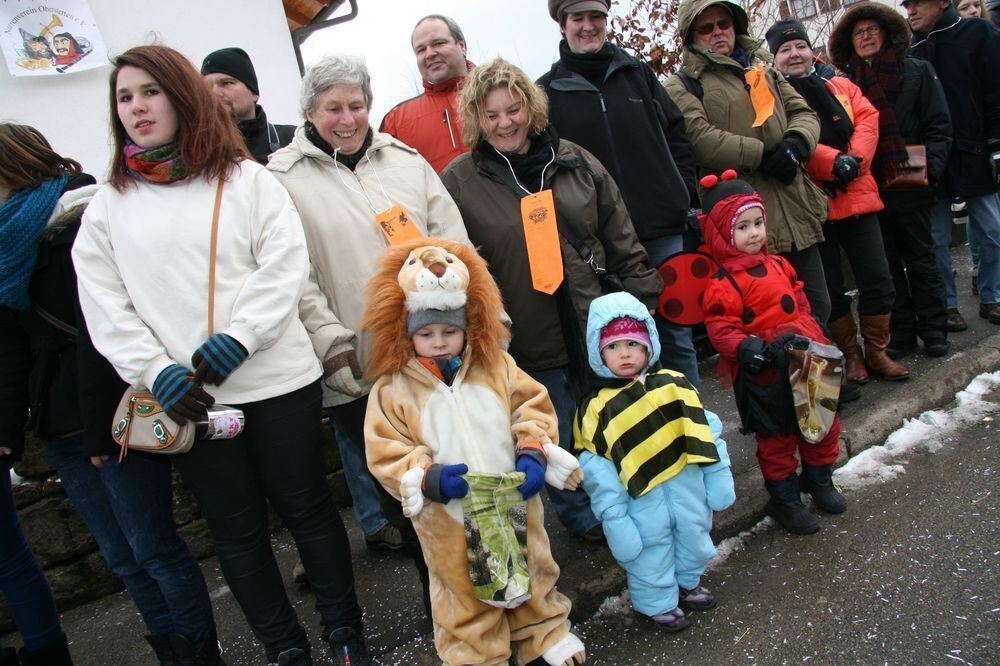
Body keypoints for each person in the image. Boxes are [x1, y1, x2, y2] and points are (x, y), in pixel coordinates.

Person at [71, 45, 368, 665]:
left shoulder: (247, 180)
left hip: (278, 380)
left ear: (181, 96)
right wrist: (156, 373)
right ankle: (285, 648)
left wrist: (243, 334)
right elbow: (105, 305)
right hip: (193, 399)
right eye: (124, 97)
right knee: (236, 531)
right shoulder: (107, 207)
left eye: (149, 92)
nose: (136, 107)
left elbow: (282, 261)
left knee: (308, 510)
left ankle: (345, 636)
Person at [0, 122, 222, 665]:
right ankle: (173, 652)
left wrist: (100, 429)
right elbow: (13, 347)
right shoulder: (8, 246)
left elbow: (102, 335)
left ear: (12, 167)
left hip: (114, 412)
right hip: (59, 424)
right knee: (123, 560)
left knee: (154, 549)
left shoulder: (83, 217)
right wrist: (11, 432)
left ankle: (198, 654)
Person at [267, 52, 473, 617]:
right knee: (409, 490)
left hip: (439, 348)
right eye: (332, 107)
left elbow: (454, 240)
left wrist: (474, 314)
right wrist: (331, 342)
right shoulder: (281, 180)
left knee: (465, 470)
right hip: (362, 366)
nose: (347, 118)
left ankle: (491, 590)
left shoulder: (404, 161)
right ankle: (445, 610)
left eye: (356, 105)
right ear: (310, 112)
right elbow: (293, 274)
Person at [441, 57, 663, 542]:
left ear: (531, 107)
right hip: (529, 333)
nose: (505, 123)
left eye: (514, 110)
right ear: (476, 119)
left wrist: (642, 297)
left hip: (595, 322)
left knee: (612, 420)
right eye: (491, 114)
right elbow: (459, 266)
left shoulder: (574, 160)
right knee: (552, 430)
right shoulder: (459, 181)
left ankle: (630, 500)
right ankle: (583, 518)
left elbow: (618, 231)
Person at [363, 238, 587, 666]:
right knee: (461, 589)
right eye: (426, 334)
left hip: (512, 493)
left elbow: (531, 405)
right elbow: (385, 447)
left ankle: (543, 634)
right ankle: (476, 654)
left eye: (449, 331)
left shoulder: (497, 366)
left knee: (533, 564)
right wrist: (426, 475)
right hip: (448, 513)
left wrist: (533, 449)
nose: (439, 342)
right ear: (406, 333)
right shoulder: (393, 389)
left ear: (468, 326)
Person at [538, 0, 702, 389]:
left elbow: (676, 132)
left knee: (676, 336)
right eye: (578, 18)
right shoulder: (546, 91)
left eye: (596, 17)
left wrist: (680, 189)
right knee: (618, 345)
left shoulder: (637, 74)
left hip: (661, 229)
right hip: (600, 242)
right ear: (562, 25)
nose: (588, 26)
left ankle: (693, 417)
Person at [573, 291, 735, 633]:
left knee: (695, 538)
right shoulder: (597, 407)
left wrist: (717, 474)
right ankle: (658, 603)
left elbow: (706, 430)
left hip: (687, 490)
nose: (624, 353)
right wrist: (615, 518)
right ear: (598, 353)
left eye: (633, 343)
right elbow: (597, 469)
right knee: (650, 554)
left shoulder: (674, 385)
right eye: (613, 347)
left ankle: (688, 582)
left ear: (649, 344)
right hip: (641, 505)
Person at [665, 0, 832, 327]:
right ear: (691, 35)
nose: (718, 32)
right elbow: (700, 138)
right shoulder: (681, 85)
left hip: (793, 206)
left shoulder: (764, 68)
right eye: (706, 27)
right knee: (769, 321)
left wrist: (796, 144)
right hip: (742, 223)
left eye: (724, 24)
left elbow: (804, 113)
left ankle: (821, 364)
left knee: (818, 308)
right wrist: (761, 154)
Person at [699, 170, 846, 535]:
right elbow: (721, 328)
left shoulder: (779, 263)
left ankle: (819, 479)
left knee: (820, 421)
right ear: (720, 234)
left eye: (758, 223)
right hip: (766, 371)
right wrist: (748, 347)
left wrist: (813, 328)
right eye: (742, 227)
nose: (754, 233)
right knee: (778, 437)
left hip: (805, 357)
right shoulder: (723, 283)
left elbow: (798, 298)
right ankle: (784, 499)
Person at [767, 20, 912, 382]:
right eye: (785, 49)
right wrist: (834, 163)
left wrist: (854, 161)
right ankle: (851, 355)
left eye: (800, 46)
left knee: (878, 278)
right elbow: (790, 138)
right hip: (814, 206)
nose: (794, 54)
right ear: (775, 58)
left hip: (857, 195)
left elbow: (868, 119)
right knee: (831, 290)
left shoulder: (839, 83)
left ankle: (876, 351)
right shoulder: (770, 96)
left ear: (810, 50)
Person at [829, 3, 953, 359]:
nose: (866, 37)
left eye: (872, 30)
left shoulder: (916, 71)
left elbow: (938, 125)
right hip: (870, 182)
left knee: (922, 259)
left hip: (911, 174)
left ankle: (935, 328)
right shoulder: (844, 86)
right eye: (858, 32)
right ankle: (900, 332)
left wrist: (931, 171)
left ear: (886, 33)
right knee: (887, 266)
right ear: (849, 42)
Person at [904, 0, 1000, 328]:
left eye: (917, 3)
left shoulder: (978, 33)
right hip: (929, 157)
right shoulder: (909, 48)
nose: (910, 10)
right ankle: (946, 304)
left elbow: (995, 92)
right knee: (934, 238)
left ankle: (992, 295)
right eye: (906, 5)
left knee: (993, 229)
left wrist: (996, 144)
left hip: (975, 149)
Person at [380, 15, 472, 173]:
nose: (430, 54)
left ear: (462, 46)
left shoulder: (503, 92)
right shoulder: (395, 122)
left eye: (438, 43)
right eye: (421, 50)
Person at [201, 47, 295, 165]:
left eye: (226, 83)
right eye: (207, 87)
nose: (214, 93)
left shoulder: (294, 140)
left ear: (254, 93)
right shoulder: (197, 153)